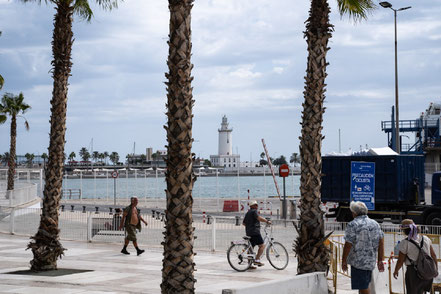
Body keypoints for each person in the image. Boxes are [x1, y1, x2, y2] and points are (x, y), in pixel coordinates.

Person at [342, 201, 384, 294]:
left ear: (354, 213)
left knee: (363, 287)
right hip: (370, 261)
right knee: (363, 286)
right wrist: (380, 259)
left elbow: (348, 244)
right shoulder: (375, 224)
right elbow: (381, 242)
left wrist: (343, 260)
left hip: (358, 262)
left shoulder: (353, 224)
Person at [393, 219, 438, 294]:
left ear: (406, 231)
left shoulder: (405, 243)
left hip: (413, 272)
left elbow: (400, 261)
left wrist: (396, 271)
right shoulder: (426, 239)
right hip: (427, 271)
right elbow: (433, 255)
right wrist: (435, 269)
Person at [242, 200, 271, 268]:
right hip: (255, 232)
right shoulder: (254, 211)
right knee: (262, 246)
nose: (257, 206)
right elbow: (259, 218)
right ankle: (257, 260)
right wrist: (267, 221)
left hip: (248, 232)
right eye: (256, 205)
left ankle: (249, 265)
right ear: (253, 206)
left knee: (251, 248)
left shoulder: (248, 212)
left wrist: (250, 225)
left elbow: (244, 223)